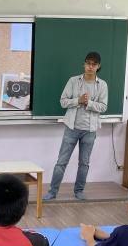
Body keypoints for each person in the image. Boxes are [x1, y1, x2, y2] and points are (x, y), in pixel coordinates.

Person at [44, 51, 108, 201]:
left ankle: (79, 191)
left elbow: (103, 107)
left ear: (98, 66)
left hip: (90, 130)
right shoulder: (73, 81)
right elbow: (63, 101)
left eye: (93, 64)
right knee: (61, 162)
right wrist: (78, 101)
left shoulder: (102, 85)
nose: (90, 67)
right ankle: (52, 192)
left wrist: (88, 103)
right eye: (88, 63)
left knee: (84, 163)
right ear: (84, 64)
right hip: (71, 128)